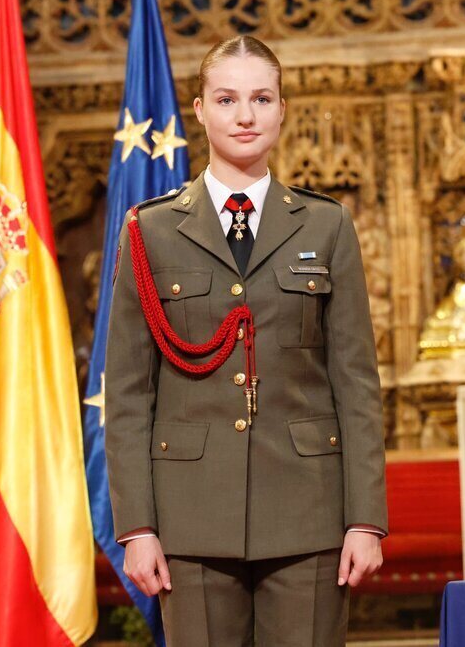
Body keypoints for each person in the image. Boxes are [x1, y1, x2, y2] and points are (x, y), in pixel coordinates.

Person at [104, 35, 387, 646]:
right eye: (227, 98)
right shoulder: (149, 230)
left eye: (261, 98)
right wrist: (137, 528)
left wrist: (365, 520)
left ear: (283, 109)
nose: (245, 114)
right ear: (200, 109)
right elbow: (127, 394)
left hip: (309, 513)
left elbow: (356, 383)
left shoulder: (326, 224)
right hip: (190, 517)